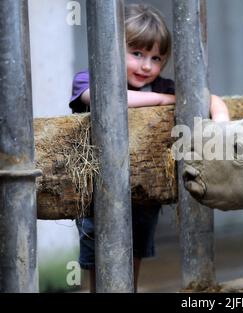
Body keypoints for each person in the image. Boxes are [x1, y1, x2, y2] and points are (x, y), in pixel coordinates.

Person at [69, 4, 229, 292]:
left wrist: (221, 123)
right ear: (112, 48)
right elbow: (102, 97)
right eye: (137, 54)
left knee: (136, 253)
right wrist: (159, 100)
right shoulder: (88, 77)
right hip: (99, 192)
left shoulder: (163, 85)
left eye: (156, 58)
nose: (146, 66)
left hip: (143, 193)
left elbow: (208, 97)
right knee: (100, 259)